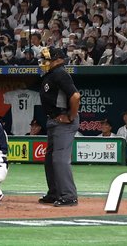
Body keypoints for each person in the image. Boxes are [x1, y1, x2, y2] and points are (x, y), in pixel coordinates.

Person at [38, 45, 79, 207]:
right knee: (50, 160)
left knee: (60, 159)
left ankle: (69, 196)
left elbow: (75, 96)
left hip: (64, 122)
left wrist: (70, 115)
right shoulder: (51, 74)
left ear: (59, 60)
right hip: (54, 120)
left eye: (48, 59)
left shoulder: (60, 73)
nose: (44, 62)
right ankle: (54, 193)